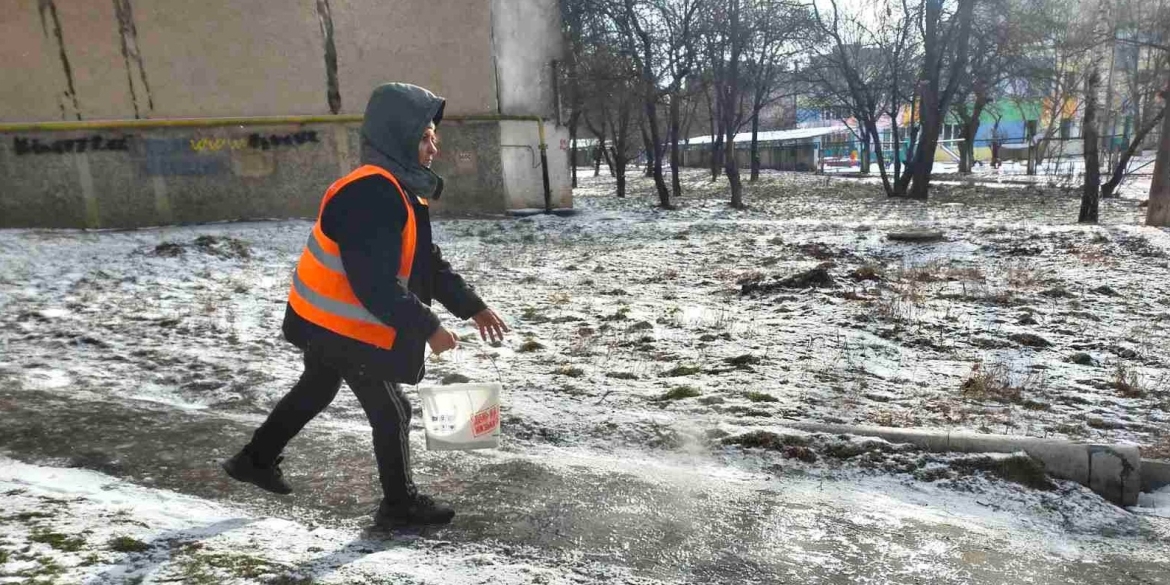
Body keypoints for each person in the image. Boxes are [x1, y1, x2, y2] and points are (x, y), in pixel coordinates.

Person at [221, 83, 509, 528]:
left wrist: (472, 307)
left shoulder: (399, 188)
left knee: (318, 387)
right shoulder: (373, 194)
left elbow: (423, 262)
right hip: (342, 326)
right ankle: (399, 504)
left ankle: (254, 459)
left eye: (433, 135)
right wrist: (428, 326)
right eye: (425, 136)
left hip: (324, 319)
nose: (435, 145)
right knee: (393, 409)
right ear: (397, 136)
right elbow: (373, 284)